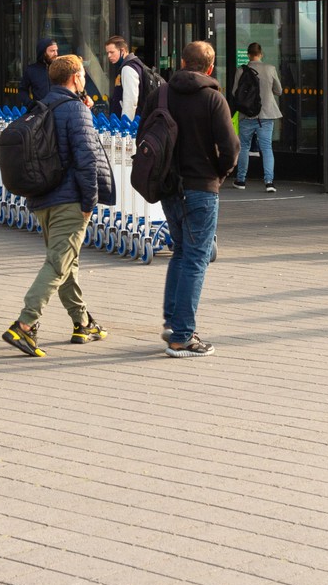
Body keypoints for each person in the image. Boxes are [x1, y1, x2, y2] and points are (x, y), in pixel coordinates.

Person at [1, 55, 114, 357]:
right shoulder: (76, 109)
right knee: (57, 264)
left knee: (66, 262)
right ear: (76, 77)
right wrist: (89, 202)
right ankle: (24, 325)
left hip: (42, 198)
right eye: (83, 75)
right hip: (69, 201)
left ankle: (83, 323)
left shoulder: (42, 106)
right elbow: (87, 159)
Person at [158, 41, 237, 357]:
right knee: (195, 258)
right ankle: (182, 337)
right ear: (210, 66)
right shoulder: (213, 99)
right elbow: (230, 148)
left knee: (180, 252)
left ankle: (173, 321)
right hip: (201, 187)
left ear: (181, 62)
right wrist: (217, 174)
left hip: (169, 187)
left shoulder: (161, 94)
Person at [231, 42, 284, 192]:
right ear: (261, 54)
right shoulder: (270, 69)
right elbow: (279, 91)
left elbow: (235, 92)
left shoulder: (241, 71)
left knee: (244, 147)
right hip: (266, 115)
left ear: (248, 54)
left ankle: (241, 180)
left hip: (247, 115)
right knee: (267, 148)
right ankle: (269, 182)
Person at [104, 35, 144, 119]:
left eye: (112, 52)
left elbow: (130, 101)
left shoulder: (128, 69)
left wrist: (125, 124)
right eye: (107, 53)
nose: (109, 56)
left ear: (122, 51)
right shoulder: (133, 64)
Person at [19, 37, 59, 105]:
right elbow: (22, 90)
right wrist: (31, 104)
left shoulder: (60, 68)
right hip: (40, 111)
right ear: (43, 53)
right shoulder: (31, 70)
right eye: (52, 51)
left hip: (59, 110)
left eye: (56, 50)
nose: (56, 54)